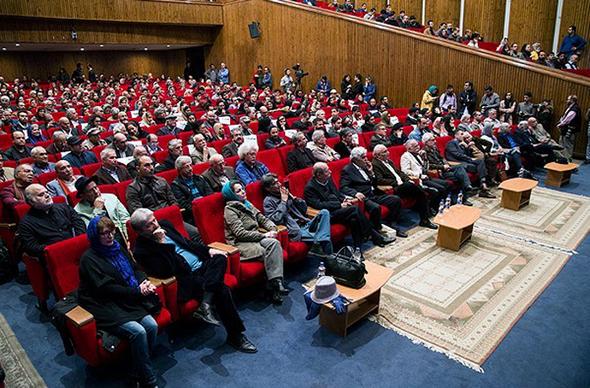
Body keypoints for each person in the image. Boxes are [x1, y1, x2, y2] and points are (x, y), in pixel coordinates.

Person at [130, 208, 257, 353]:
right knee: (221, 289)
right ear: (140, 231)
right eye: (149, 224)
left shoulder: (165, 225)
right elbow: (165, 271)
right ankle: (235, 335)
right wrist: (161, 244)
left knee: (220, 257)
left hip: (203, 266)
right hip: (186, 278)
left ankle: (205, 303)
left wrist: (208, 250)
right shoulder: (141, 250)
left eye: (154, 219)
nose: (155, 224)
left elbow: (187, 244)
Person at [78, 216, 159, 387]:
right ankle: (148, 380)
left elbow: (135, 268)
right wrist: (138, 292)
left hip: (126, 297)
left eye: (111, 231)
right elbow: (107, 289)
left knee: (152, 326)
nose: (109, 236)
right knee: (138, 331)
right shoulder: (89, 259)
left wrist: (143, 281)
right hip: (104, 303)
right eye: (104, 234)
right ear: (95, 236)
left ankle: (136, 371)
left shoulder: (118, 248)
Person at [222, 180, 286, 304]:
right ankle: (275, 289)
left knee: (274, 243)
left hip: (256, 238)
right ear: (231, 194)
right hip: (241, 243)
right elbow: (240, 233)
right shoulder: (229, 210)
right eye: (238, 191)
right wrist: (264, 235)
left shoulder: (247, 203)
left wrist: (273, 229)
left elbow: (262, 219)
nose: (243, 192)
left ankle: (276, 283)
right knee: (266, 251)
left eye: (242, 189)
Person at [303, 162, 394, 248]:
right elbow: (319, 205)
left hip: (338, 209)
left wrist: (345, 199)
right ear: (319, 175)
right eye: (327, 171)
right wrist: (340, 205)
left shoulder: (327, 179)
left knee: (354, 220)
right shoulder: (310, 188)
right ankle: (375, 236)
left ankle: (357, 249)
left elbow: (337, 194)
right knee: (354, 209)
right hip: (327, 214)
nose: (330, 171)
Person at [340, 147, 407, 236]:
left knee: (395, 200)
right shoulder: (348, 169)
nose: (366, 159)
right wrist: (355, 193)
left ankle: (392, 224)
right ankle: (376, 230)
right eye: (363, 157)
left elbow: (374, 183)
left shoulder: (365, 167)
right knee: (375, 208)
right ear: (356, 159)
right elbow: (343, 187)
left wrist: (371, 173)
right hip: (364, 197)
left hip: (374, 193)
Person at [261, 173, 333, 254]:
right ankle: (328, 255)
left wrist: (294, 198)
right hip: (296, 230)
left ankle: (320, 240)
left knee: (324, 212)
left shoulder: (284, 194)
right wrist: (283, 202)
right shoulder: (268, 201)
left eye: (278, 182)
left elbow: (304, 210)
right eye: (274, 184)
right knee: (325, 237)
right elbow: (275, 220)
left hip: (306, 223)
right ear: (267, 188)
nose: (279, 184)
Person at [372, 145, 437, 228]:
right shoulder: (375, 164)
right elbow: (379, 180)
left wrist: (407, 179)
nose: (388, 152)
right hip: (395, 188)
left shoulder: (389, 161)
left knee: (419, 193)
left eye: (387, 150)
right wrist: (396, 182)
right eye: (384, 152)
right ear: (377, 155)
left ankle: (424, 219)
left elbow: (400, 173)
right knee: (417, 190)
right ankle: (425, 215)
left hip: (404, 185)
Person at [17, 184, 86, 257]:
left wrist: (78, 240)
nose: (47, 195)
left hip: (78, 247)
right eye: (41, 195)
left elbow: (79, 223)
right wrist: (55, 249)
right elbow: (32, 247)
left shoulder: (64, 207)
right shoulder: (26, 223)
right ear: (31, 202)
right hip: (54, 256)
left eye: (47, 192)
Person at [444, 131, 495, 197]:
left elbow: (466, 154)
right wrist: (470, 159)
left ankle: (483, 183)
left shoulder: (462, 143)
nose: (463, 136)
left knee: (480, 161)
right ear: (456, 136)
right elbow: (457, 155)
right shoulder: (451, 143)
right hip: (457, 162)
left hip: (465, 161)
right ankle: (482, 188)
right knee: (477, 167)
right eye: (461, 134)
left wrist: (467, 147)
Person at [557, 95, 581, 161]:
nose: (567, 101)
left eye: (568, 99)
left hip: (569, 130)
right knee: (562, 144)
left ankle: (567, 161)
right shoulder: (571, 107)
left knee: (567, 146)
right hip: (565, 130)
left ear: (572, 100)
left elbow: (568, 119)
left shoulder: (574, 109)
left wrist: (560, 124)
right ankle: (562, 159)